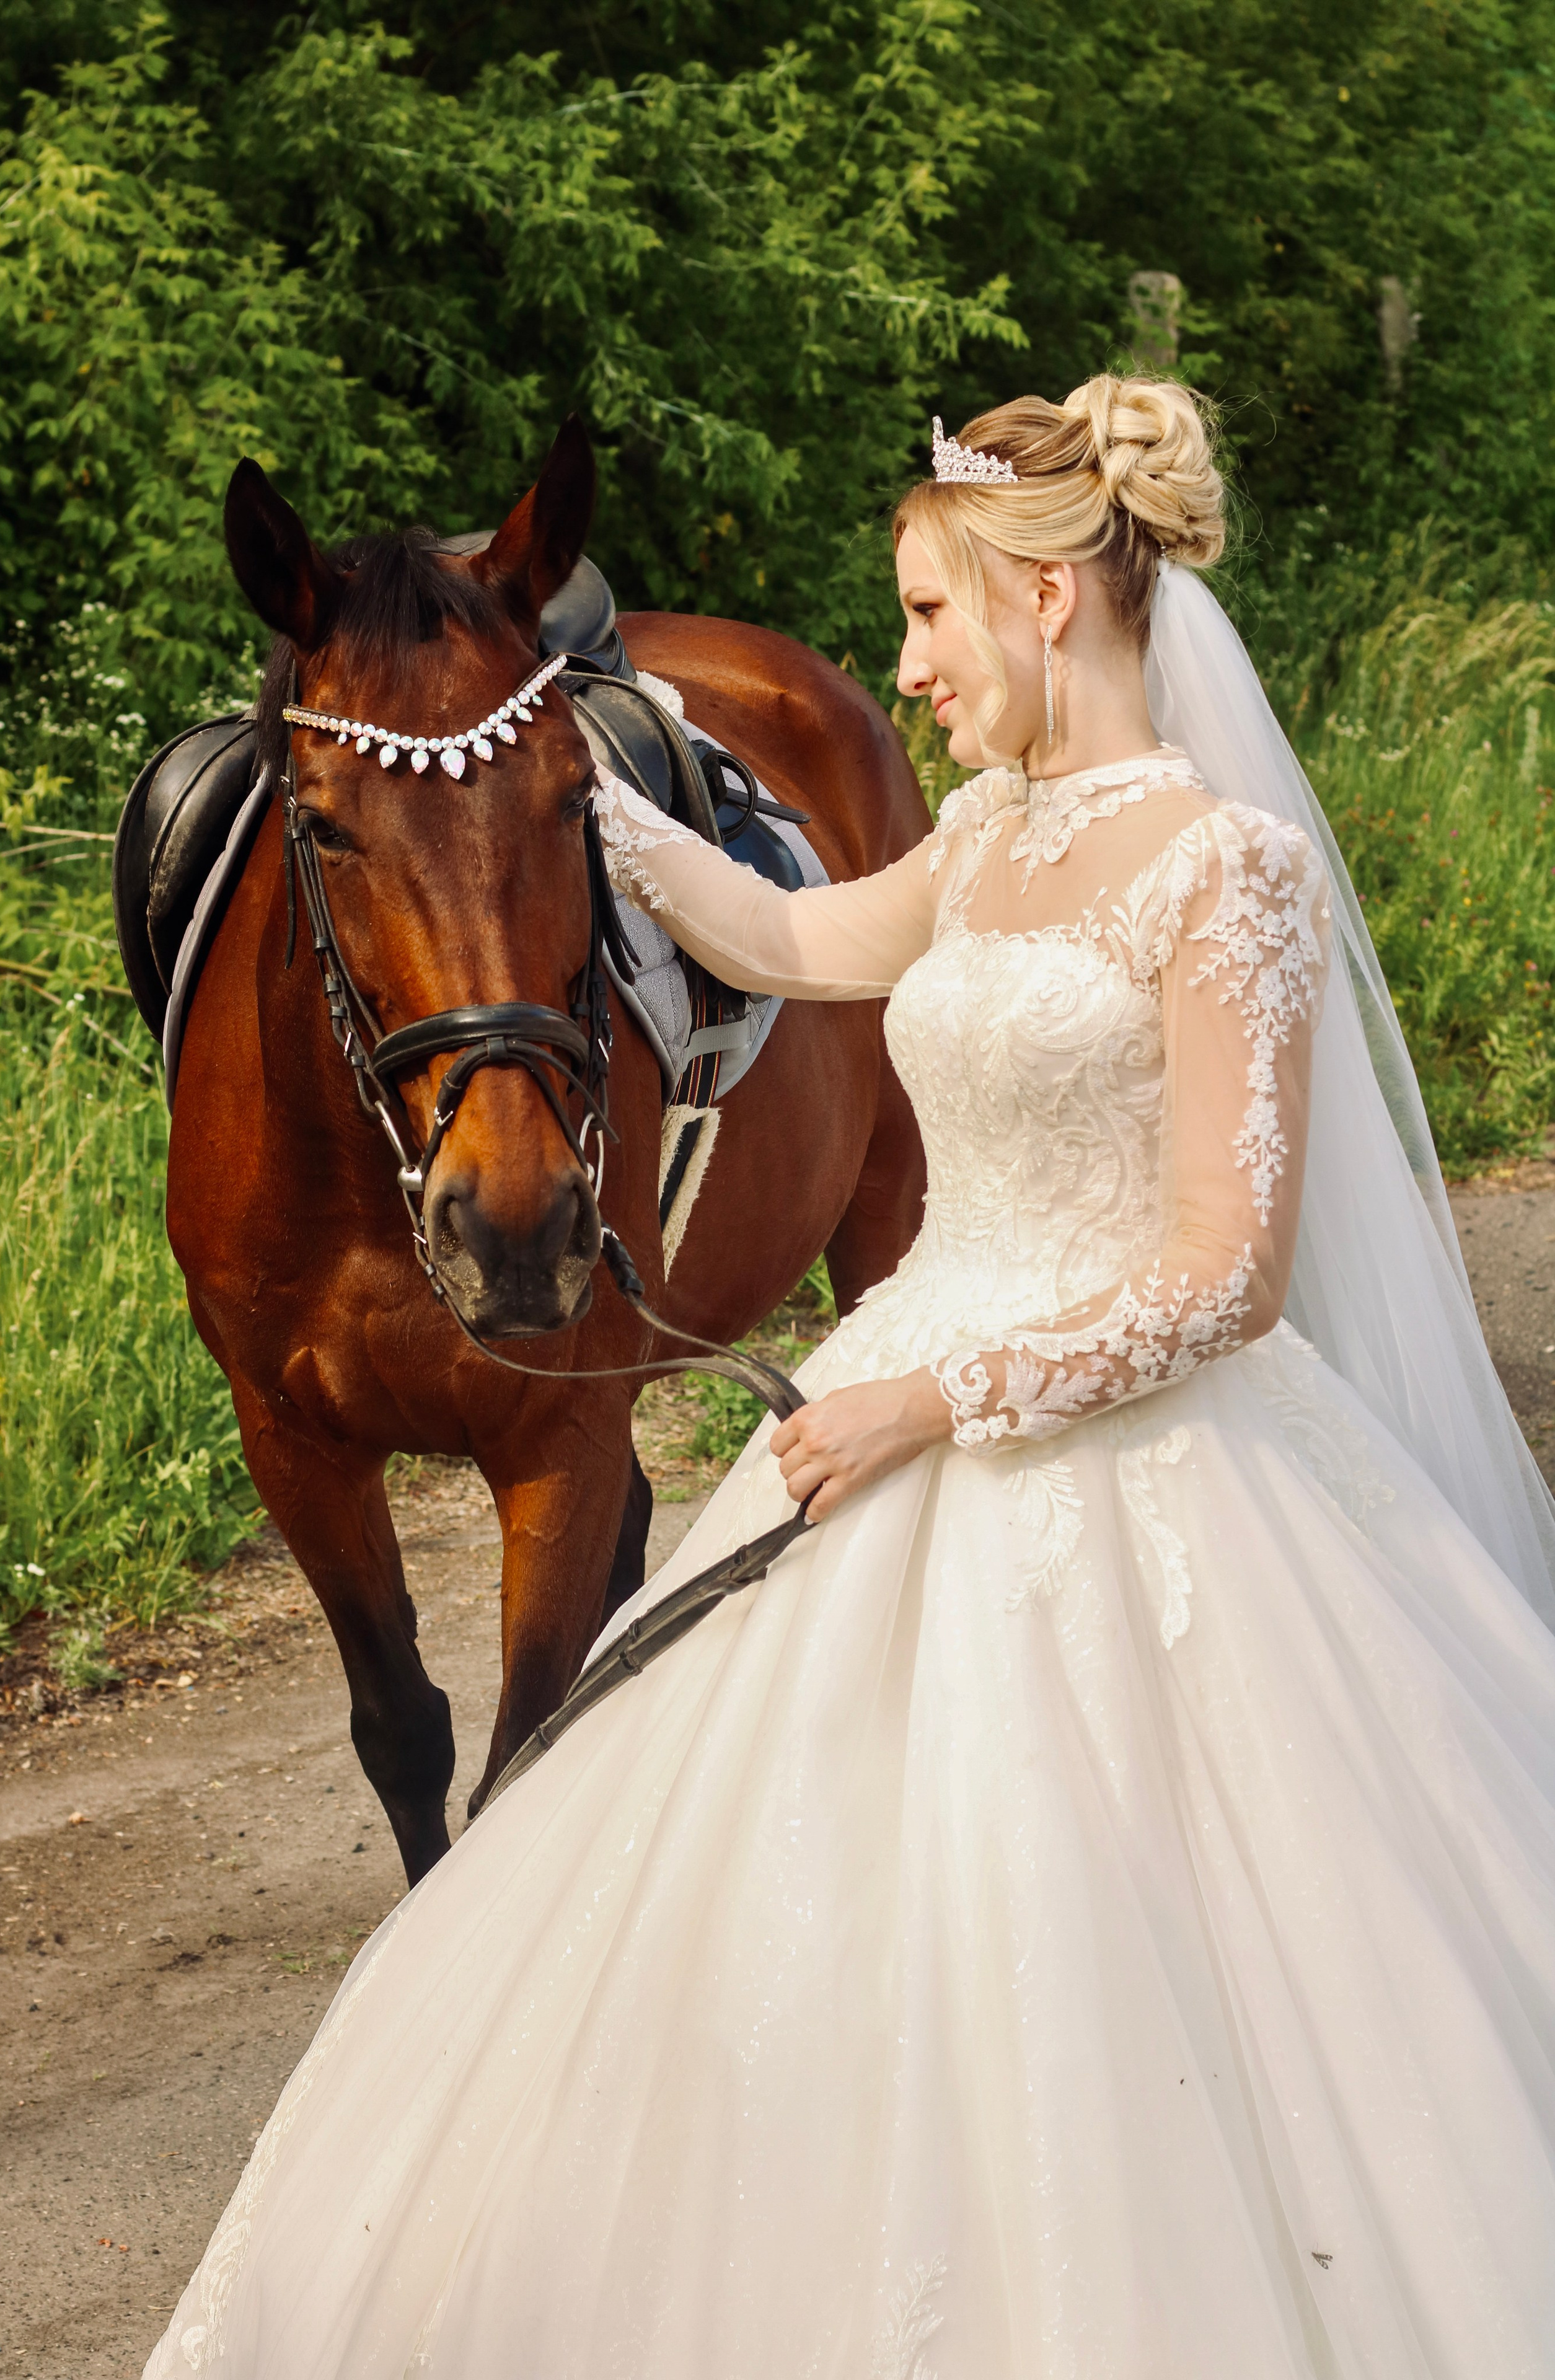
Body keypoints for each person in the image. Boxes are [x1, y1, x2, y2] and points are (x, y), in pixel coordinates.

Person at [145, 379, 1555, 2379]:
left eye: (925, 614)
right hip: (911, 1392)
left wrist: (928, 1403)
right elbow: (790, 936)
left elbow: (1227, 1279)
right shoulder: (980, 842)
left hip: (1110, 1455)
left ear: (1045, 600)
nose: (904, 666)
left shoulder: (1225, 870)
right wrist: (539, 773)